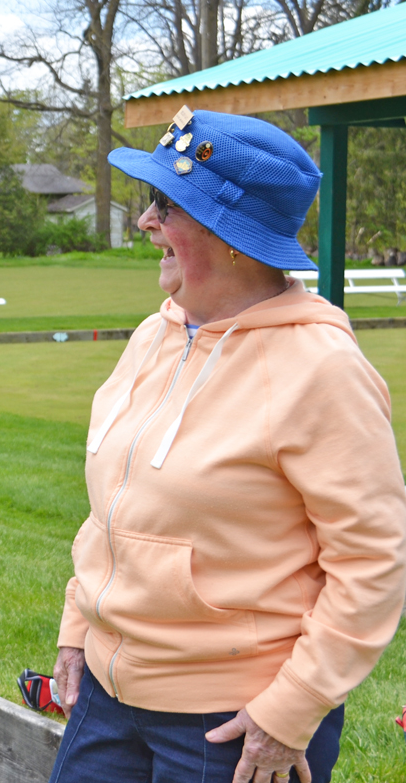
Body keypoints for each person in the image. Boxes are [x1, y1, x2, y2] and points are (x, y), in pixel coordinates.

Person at [49, 108, 406, 783]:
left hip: (234, 721)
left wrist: (291, 708)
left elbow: (373, 564)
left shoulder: (321, 367)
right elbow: (112, 511)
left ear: (230, 235)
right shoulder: (154, 335)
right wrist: (79, 627)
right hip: (106, 692)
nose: (146, 221)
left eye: (165, 204)